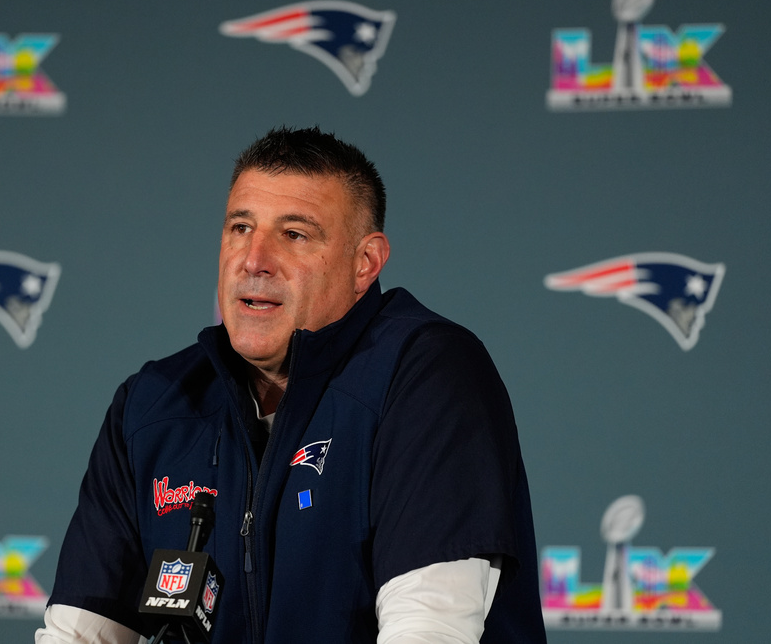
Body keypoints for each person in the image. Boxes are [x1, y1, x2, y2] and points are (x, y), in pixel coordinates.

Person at [36, 127, 547, 644]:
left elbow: (430, 631)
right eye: (240, 227)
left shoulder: (424, 375)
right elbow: (76, 636)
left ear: (365, 263)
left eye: (294, 234)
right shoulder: (153, 405)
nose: (254, 259)